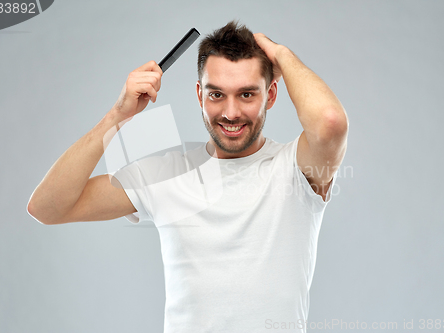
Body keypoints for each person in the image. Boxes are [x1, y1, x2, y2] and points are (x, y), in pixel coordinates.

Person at [28, 21, 348, 332]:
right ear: (199, 95)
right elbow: (48, 208)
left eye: (247, 95)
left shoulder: (297, 168)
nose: (231, 112)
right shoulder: (164, 174)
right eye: (216, 94)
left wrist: (281, 55)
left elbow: (330, 122)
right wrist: (118, 116)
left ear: (271, 95)